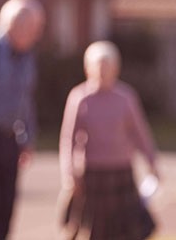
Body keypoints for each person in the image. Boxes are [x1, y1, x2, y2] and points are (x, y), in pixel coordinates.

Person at [58, 41, 159, 239]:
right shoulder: (79, 98)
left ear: (116, 69)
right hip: (92, 175)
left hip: (121, 172)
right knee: (93, 231)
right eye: (99, 67)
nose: (103, 73)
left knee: (129, 231)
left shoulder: (126, 97)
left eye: (108, 67)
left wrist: (152, 162)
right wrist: (69, 175)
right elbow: (68, 139)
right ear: (88, 69)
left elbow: (140, 134)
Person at [0, 0, 44, 240]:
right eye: (34, 29)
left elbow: (26, 100)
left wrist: (27, 137)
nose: (36, 35)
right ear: (16, 24)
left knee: (6, 205)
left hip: (9, 140)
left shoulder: (27, 56)